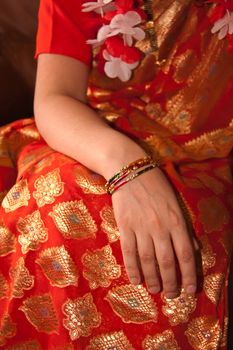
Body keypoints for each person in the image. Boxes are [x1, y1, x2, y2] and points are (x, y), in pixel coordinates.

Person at [0, 0, 232, 348]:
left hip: (208, 154)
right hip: (93, 136)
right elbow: (55, 98)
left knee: (190, 244)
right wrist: (130, 169)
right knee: (56, 200)